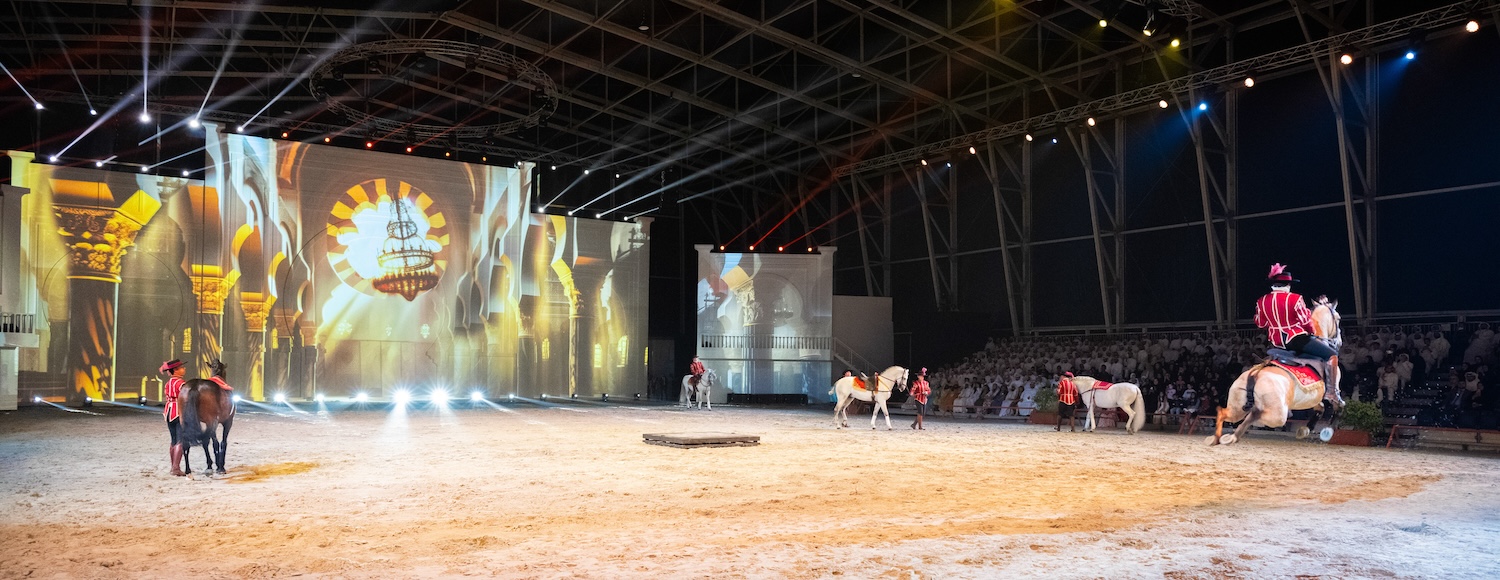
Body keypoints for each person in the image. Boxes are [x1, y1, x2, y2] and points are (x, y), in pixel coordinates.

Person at [1254, 263, 1340, 404]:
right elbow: (1305, 321)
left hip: (1276, 342)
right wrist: (1311, 332)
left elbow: (1260, 323)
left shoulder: (1262, 301)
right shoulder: (1295, 298)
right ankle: (1331, 392)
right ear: (1288, 285)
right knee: (1332, 355)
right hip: (1295, 339)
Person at [160, 359, 188, 477]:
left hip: (168, 411)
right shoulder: (181, 383)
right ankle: (176, 468)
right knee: (180, 440)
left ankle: (173, 466)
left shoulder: (168, 383)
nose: (184, 369)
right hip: (178, 411)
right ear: (176, 370)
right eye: (181, 368)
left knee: (173, 440)